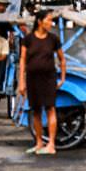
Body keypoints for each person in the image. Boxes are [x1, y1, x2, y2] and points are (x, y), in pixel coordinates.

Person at [19, 10, 65, 155]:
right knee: (36, 110)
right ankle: (39, 142)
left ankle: (51, 144)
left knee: (50, 109)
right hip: (32, 78)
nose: (51, 23)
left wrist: (62, 77)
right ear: (40, 21)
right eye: (48, 20)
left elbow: (62, 59)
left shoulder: (53, 39)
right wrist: (21, 81)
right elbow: (22, 60)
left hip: (49, 78)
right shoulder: (28, 39)